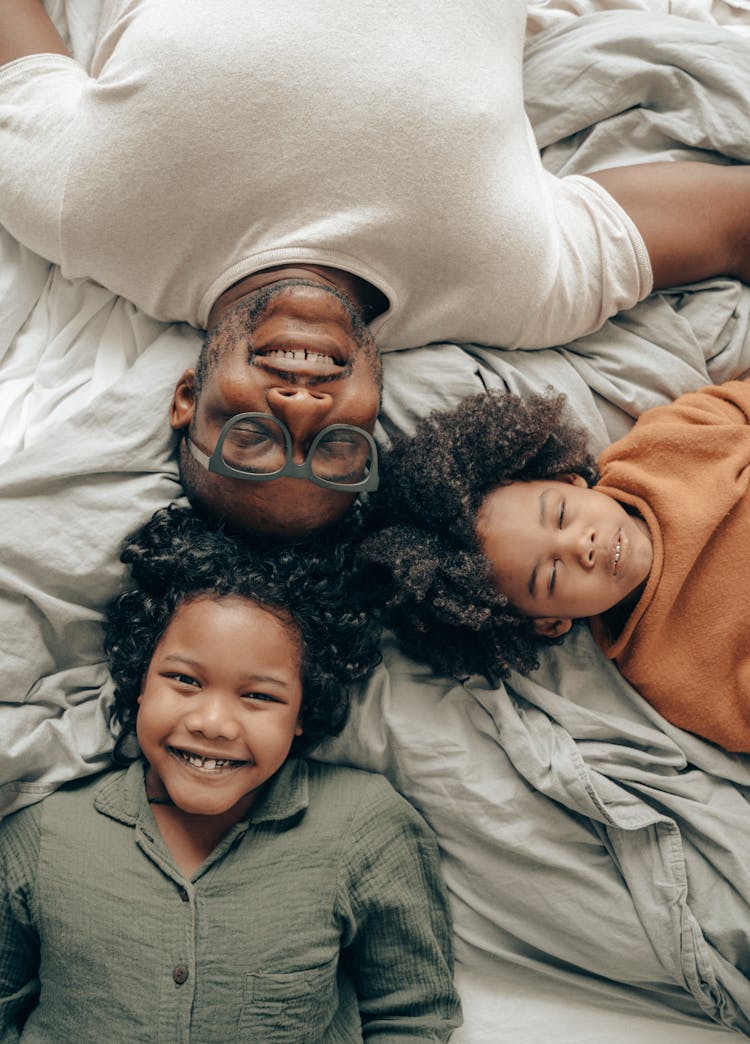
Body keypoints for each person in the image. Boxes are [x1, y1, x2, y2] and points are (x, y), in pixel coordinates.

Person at [4, 2, 750, 539]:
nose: (300, 406)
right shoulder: (519, 288)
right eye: (334, 448)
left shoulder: (84, 214)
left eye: (253, 438)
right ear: (375, 416)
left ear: (189, 396)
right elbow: (734, 223)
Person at [0, 505, 463, 1041]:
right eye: (184, 680)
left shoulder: (366, 828)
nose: (214, 724)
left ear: (301, 714)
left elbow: (414, 1016)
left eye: (259, 696)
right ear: (139, 681)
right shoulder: (41, 833)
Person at [356, 382, 750, 752]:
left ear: (569, 479)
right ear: (549, 622)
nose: (583, 545)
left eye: (561, 514)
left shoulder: (658, 449)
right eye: (552, 575)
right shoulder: (669, 673)